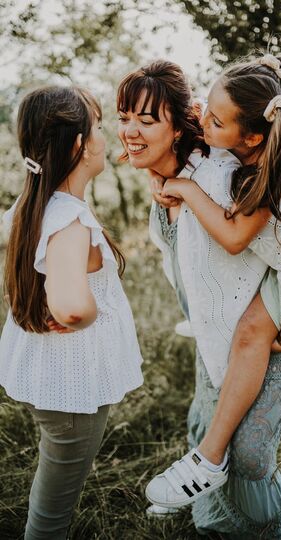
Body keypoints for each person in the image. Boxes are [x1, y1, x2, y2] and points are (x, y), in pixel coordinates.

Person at [117, 58, 281, 538]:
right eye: (124, 118)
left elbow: (238, 241)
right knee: (212, 408)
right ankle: (211, 508)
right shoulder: (218, 151)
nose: (131, 131)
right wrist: (164, 180)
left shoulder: (255, 171)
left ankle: (241, 504)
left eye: (146, 121)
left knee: (249, 358)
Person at [0, 86, 143, 539]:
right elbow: (73, 306)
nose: (107, 136)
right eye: (99, 127)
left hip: (57, 384)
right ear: (80, 145)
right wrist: (83, 313)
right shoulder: (68, 220)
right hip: (72, 390)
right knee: (53, 511)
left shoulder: (38, 203)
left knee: (54, 483)